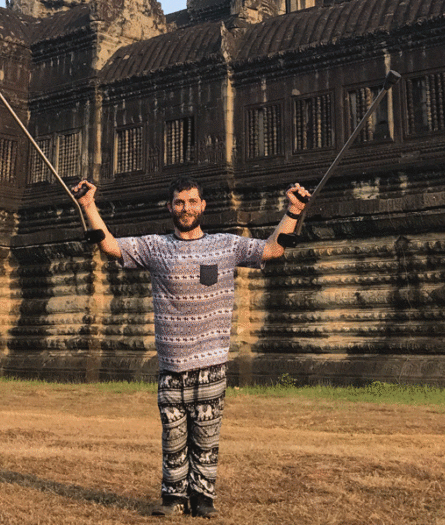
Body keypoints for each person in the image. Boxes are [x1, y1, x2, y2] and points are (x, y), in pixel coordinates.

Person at [74, 176, 309, 518]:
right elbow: (110, 247)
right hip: (171, 365)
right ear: (170, 207)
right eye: (179, 202)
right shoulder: (154, 247)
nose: (186, 208)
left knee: (207, 437)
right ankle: (173, 498)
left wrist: (294, 210)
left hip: (211, 362)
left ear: (203, 206)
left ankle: (203, 499)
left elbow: (272, 248)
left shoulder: (226, 246)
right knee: (173, 437)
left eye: (192, 201)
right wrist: (88, 206)